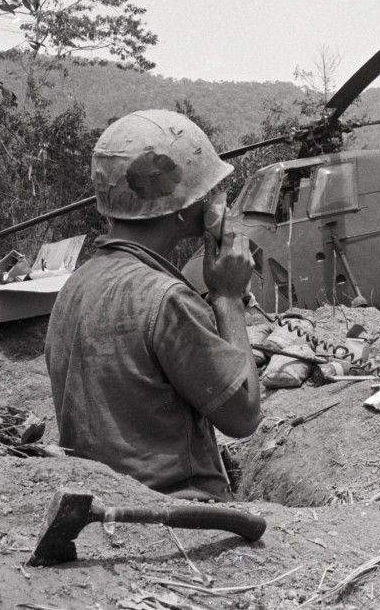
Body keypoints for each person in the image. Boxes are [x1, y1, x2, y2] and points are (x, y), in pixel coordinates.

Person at [45, 109, 261, 501]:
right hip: (174, 511)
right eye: (206, 190)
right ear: (179, 208)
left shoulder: (75, 285)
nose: (214, 199)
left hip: (101, 502)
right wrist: (227, 296)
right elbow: (243, 416)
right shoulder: (167, 300)